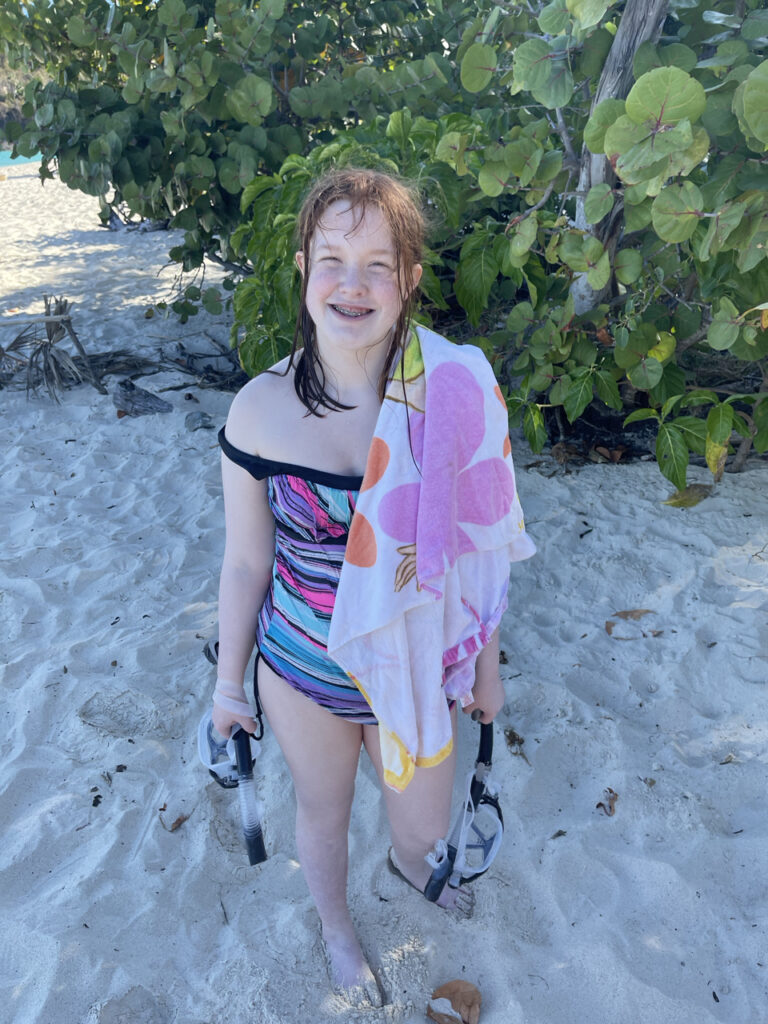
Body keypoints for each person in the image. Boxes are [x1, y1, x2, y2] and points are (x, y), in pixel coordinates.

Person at [210, 168, 534, 1006]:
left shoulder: (452, 391)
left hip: (419, 662)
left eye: (378, 265)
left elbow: (475, 550)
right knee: (321, 815)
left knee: (423, 828)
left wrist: (486, 669)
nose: (352, 284)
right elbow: (247, 563)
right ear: (302, 267)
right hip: (303, 669)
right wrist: (225, 687)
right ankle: (336, 926)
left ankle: (403, 864)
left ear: (411, 281)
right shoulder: (259, 409)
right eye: (332, 259)